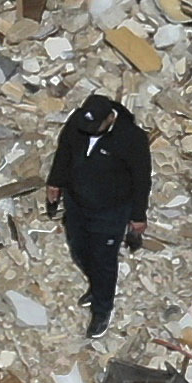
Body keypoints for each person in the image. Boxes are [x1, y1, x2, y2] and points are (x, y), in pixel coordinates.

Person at [48, 94, 149, 333]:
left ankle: (102, 310)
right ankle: (96, 285)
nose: (90, 132)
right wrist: (55, 182)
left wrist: (138, 216)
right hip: (76, 203)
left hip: (110, 211)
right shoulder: (79, 123)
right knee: (79, 249)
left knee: (104, 261)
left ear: (110, 118)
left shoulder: (131, 138)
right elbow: (64, 152)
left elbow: (141, 179)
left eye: (96, 128)